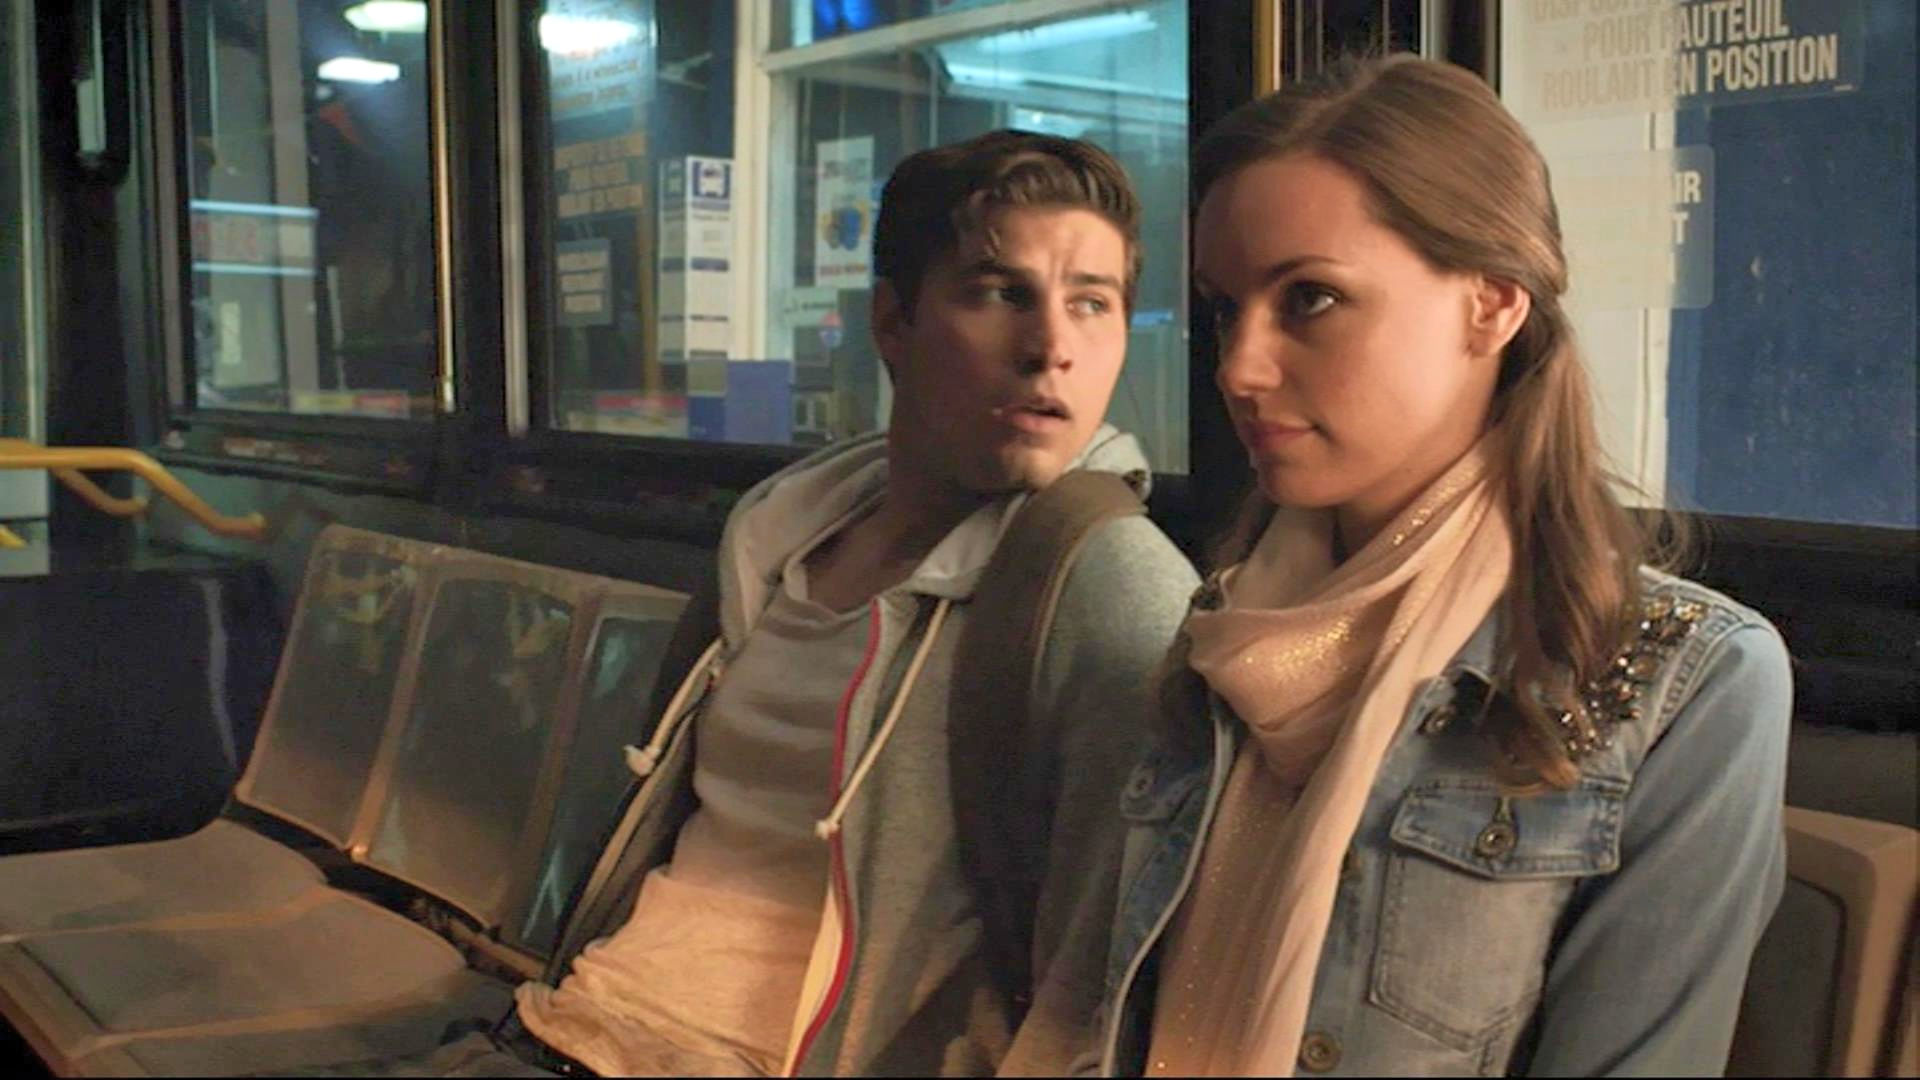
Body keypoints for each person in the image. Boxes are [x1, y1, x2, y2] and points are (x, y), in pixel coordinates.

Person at [429, 130, 1195, 1078]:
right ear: (893, 322)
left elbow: (1103, 1000)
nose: (1051, 350)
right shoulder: (780, 535)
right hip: (571, 1020)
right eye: (1001, 294)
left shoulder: (1109, 585)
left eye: (1092, 304)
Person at [1094, 56, 1791, 1077]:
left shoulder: (1684, 683)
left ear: (1492, 306)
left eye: (1311, 299)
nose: (1240, 367)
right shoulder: (1226, 632)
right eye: (1224, 308)